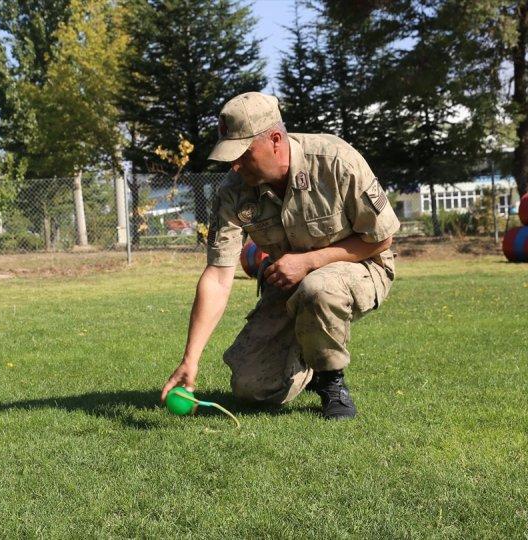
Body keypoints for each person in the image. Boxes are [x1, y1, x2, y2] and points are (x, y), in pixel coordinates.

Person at [160, 92, 400, 420]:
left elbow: (382, 238)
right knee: (251, 387)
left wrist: (309, 262)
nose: (235, 165)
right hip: (289, 282)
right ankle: (309, 361)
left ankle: (331, 382)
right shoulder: (233, 190)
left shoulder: (335, 160)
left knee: (319, 287)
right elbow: (217, 276)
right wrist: (191, 359)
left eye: (243, 153)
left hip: (364, 265)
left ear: (275, 140)